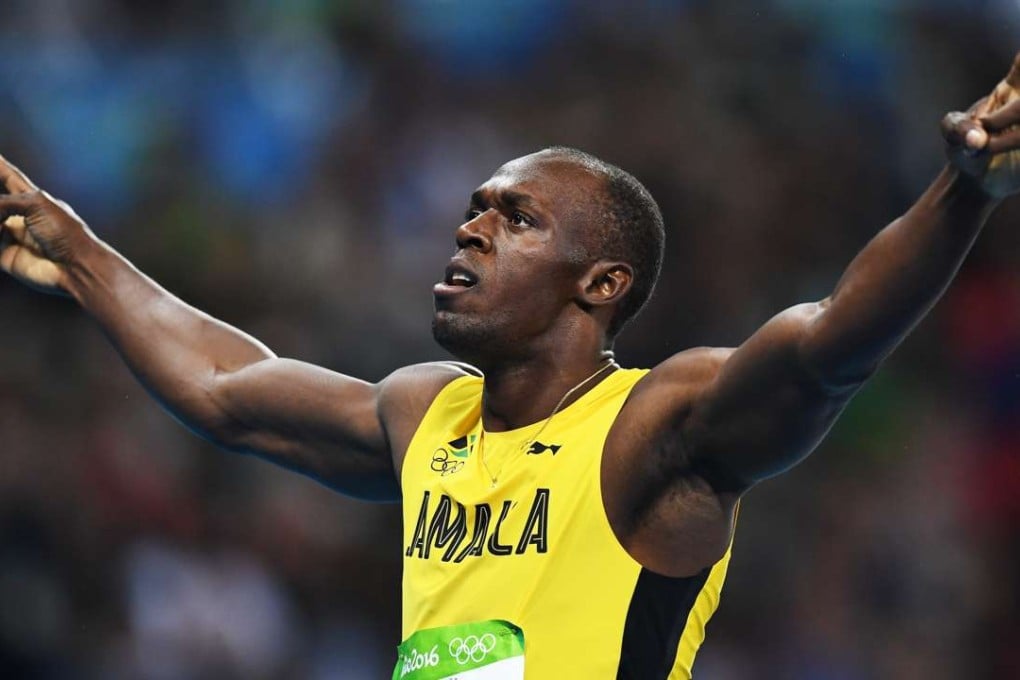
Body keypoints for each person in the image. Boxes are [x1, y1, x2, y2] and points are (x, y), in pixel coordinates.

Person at [2, 53, 1019, 680]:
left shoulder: (650, 429)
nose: (471, 227)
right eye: (474, 208)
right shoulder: (424, 414)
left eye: (516, 217)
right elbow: (228, 389)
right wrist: (75, 248)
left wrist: (965, 187)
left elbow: (830, 345)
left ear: (601, 282)